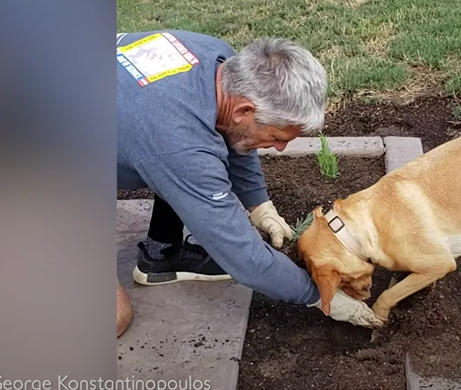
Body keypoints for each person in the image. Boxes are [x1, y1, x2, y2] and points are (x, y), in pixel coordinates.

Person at [116, 30, 382, 337]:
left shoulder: (220, 61)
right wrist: (321, 296)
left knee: (178, 166)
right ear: (245, 110)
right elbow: (248, 261)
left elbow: (234, 137)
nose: (280, 148)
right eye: (277, 137)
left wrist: (260, 205)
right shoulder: (178, 141)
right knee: (116, 317)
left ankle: (160, 255)